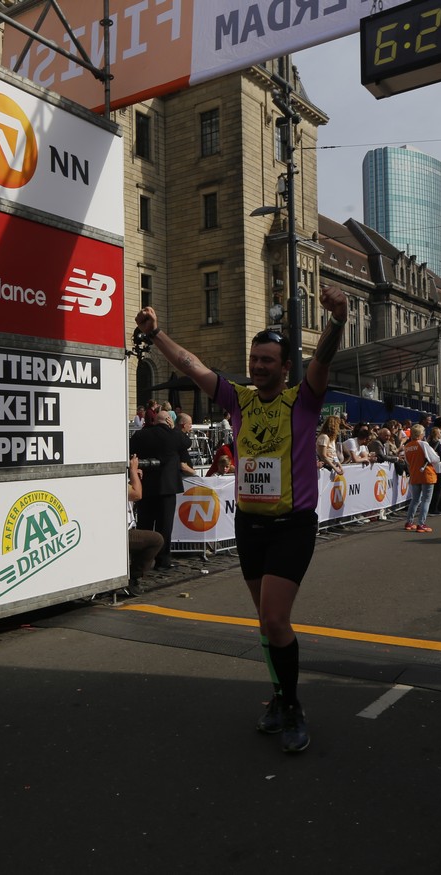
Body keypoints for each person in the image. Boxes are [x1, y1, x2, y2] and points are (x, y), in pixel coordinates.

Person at [134, 281, 349, 754]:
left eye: (267, 360)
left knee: (275, 619)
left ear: (286, 367)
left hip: (292, 525)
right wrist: (154, 334)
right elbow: (191, 364)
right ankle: (279, 697)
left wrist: (337, 319)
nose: (258, 366)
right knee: (265, 623)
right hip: (250, 525)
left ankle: (292, 707)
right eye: (254, 359)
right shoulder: (239, 400)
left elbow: (323, 358)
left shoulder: (303, 399)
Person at [128, 407, 189, 571]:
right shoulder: (174, 435)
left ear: (155, 421)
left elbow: (131, 449)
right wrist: (174, 428)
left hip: (146, 486)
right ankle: (163, 559)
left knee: (145, 524)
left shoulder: (142, 435)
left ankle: (141, 561)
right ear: (169, 421)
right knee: (165, 526)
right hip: (167, 487)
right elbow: (186, 443)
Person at [125, 454, 164, 596]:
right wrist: (133, 472)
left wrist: (133, 476)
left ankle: (130, 574)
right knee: (156, 540)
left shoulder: (121, 480)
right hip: (122, 532)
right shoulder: (114, 481)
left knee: (148, 553)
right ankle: (133, 578)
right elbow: (137, 495)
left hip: (127, 528)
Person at [402, 424, 439, 533]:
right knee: (426, 500)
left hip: (414, 474)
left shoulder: (407, 447)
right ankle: (421, 524)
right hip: (426, 474)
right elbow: (435, 459)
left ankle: (409, 522)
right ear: (421, 434)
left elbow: (407, 462)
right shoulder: (423, 444)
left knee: (415, 500)